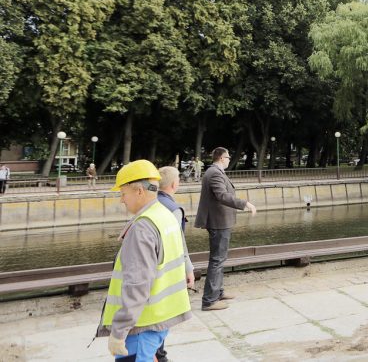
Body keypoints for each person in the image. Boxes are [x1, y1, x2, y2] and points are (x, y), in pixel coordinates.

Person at [96, 159, 192, 361]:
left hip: (139, 326)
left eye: (123, 193)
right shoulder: (165, 216)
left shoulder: (143, 227)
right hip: (161, 318)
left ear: (139, 191)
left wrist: (119, 331)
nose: (122, 200)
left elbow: (137, 284)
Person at [194, 146, 255, 311]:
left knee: (219, 259)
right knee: (217, 260)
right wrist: (245, 203)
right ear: (221, 158)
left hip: (221, 221)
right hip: (218, 222)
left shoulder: (215, 172)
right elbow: (221, 195)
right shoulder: (214, 173)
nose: (229, 160)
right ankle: (209, 301)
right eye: (228, 157)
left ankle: (218, 292)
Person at [155, 166, 196, 362]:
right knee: (165, 310)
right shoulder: (173, 209)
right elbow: (178, 242)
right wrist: (188, 268)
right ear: (174, 184)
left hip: (152, 266)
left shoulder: (151, 202)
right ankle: (159, 354)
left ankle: (155, 352)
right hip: (168, 268)